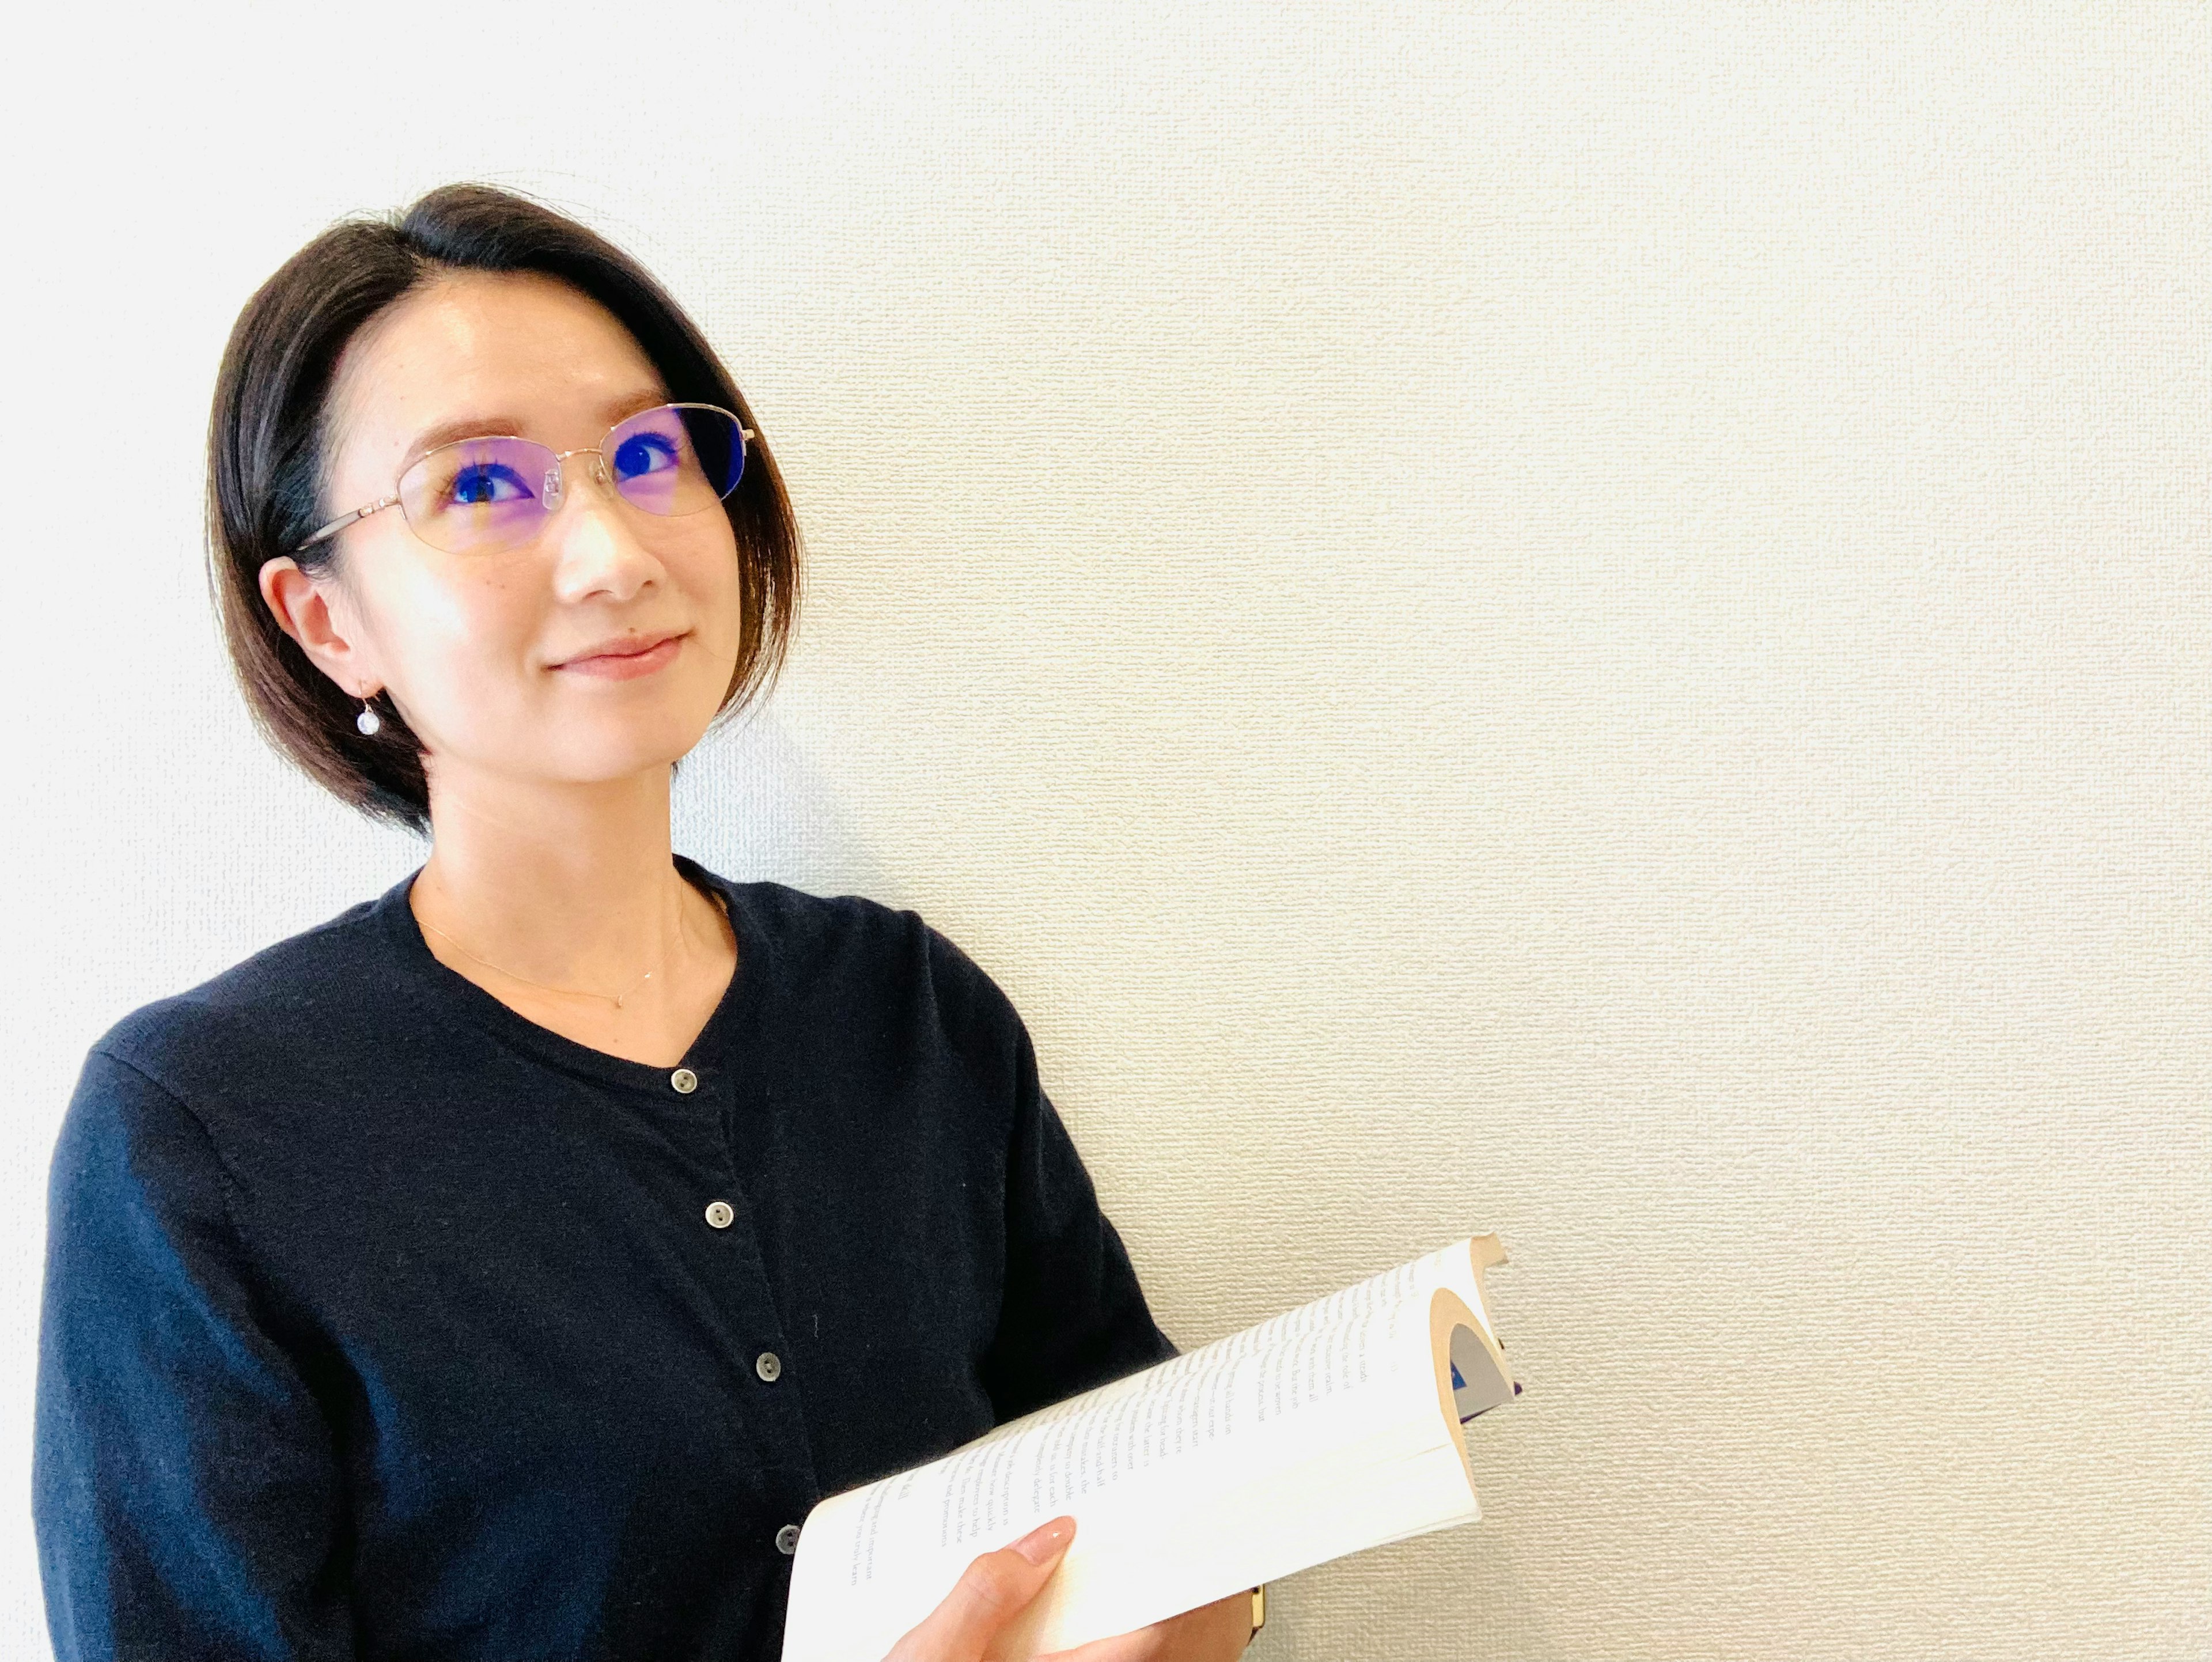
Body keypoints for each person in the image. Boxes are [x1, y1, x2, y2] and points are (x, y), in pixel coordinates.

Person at [32, 183, 1259, 1662]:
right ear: (326, 620)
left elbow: (1137, 1449)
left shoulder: (906, 1010)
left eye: (647, 454)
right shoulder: (201, 1131)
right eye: (478, 488)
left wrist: (1217, 1597)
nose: (614, 551)